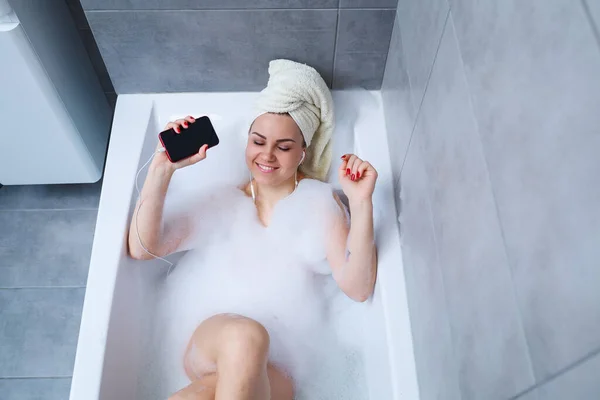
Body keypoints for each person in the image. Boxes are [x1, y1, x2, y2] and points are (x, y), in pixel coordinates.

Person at [128, 60, 378, 400]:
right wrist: (162, 170)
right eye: (258, 141)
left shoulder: (319, 203)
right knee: (245, 337)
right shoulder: (224, 202)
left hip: (282, 364)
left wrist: (361, 203)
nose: (267, 155)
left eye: (284, 147)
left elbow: (358, 287)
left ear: (303, 151)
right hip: (214, 340)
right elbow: (143, 248)